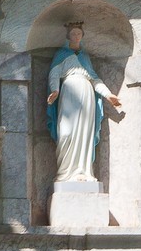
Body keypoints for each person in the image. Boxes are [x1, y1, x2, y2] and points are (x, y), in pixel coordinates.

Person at [46, 21, 123, 183]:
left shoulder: (85, 57)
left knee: (85, 134)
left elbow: (94, 79)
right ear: (68, 36)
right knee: (66, 132)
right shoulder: (62, 54)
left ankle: (84, 171)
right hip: (68, 93)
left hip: (87, 95)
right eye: (73, 33)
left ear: (82, 36)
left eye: (79, 34)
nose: (76, 36)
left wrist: (109, 95)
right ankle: (64, 173)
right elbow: (54, 73)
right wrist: (55, 90)